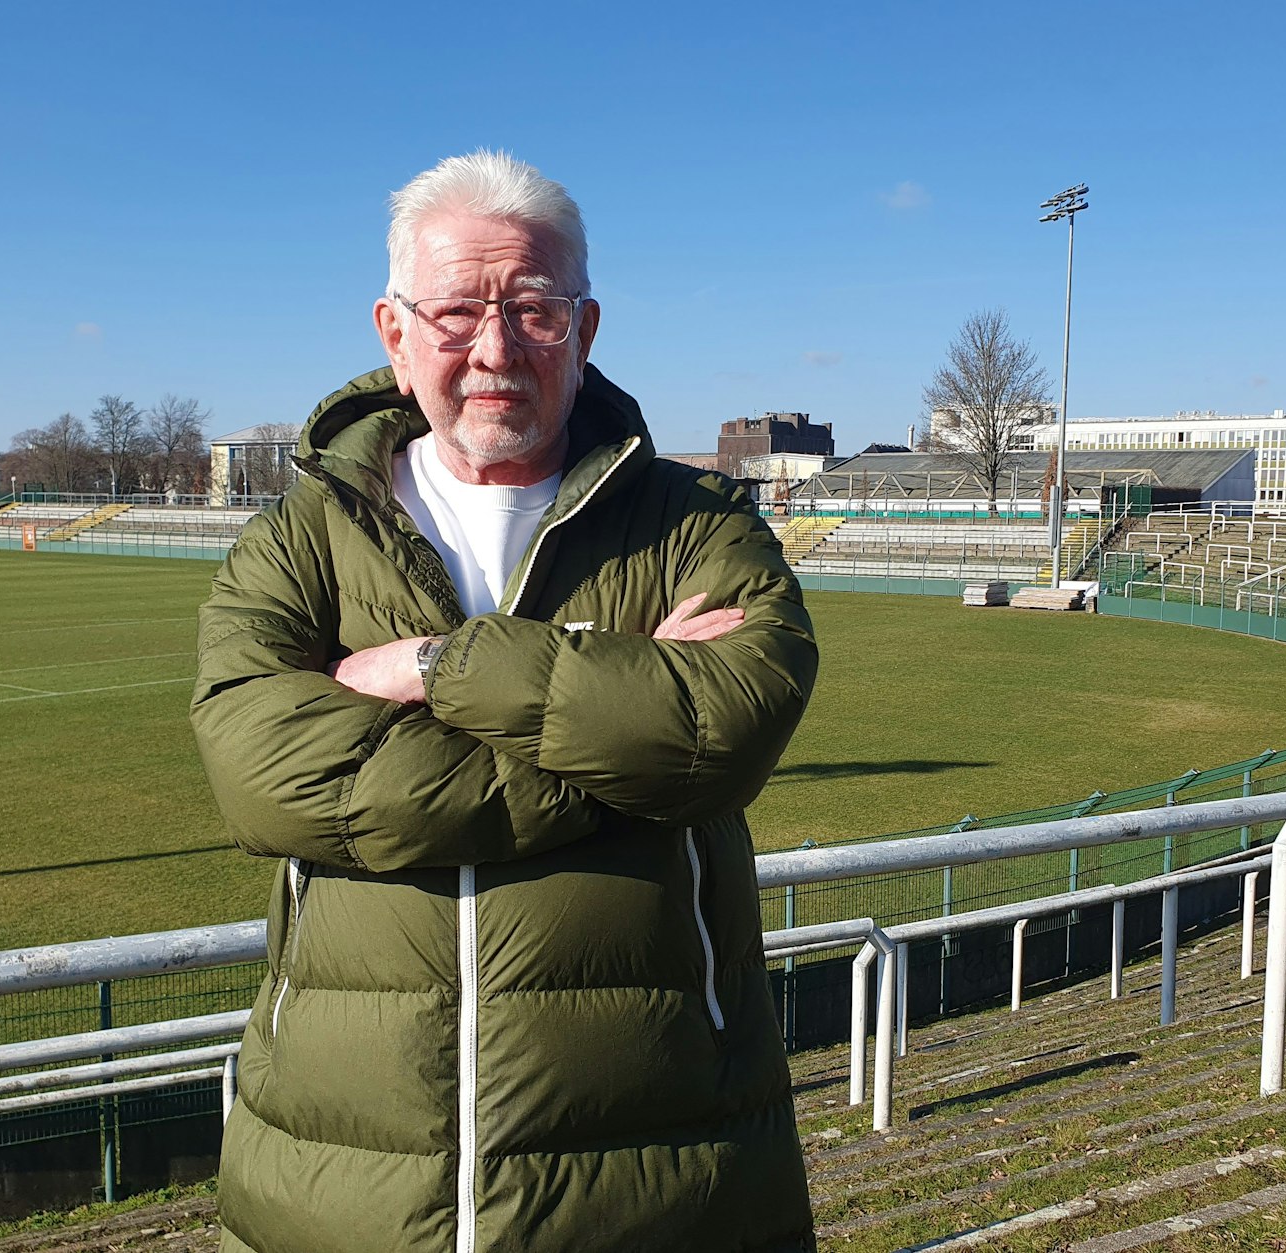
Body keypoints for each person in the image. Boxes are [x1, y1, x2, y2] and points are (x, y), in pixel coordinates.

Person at [191, 151, 818, 1253]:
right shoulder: (300, 536)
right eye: (454, 312)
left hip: (664, 1176)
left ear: (582, 326)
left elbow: (717, 732)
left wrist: (437, 670)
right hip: (336, 1182)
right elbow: (264, 774)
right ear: (392, 330)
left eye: (531, 308)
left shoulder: (696, 523)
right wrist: (610, 742)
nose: (493, 349)